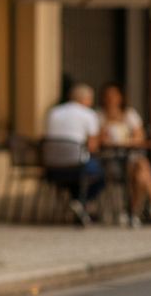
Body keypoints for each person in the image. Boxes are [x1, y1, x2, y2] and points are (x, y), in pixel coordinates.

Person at [97, 82, 151, 225]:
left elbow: (140, 137)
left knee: (140, 172)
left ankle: (133, 212)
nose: (111, 99)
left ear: (120, 97)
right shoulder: (98, 116)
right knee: (141, 167)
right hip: (109, 161)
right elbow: (100, 141)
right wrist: (125, 141)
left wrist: (122, 141)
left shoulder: (129, 114)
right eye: (108, 96)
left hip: (129, 159)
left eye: (114, 95)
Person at [44, 83, 106, 224]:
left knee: (80, 171)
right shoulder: (88, 114)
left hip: (51, 168)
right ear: (85, 99)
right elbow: (93, 147)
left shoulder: (53, 112)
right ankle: (80, 202)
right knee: (101, 173)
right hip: (78, 167)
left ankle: (78, 204)